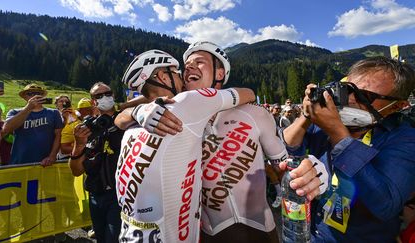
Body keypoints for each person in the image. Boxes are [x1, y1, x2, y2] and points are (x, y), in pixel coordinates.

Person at [128, 42, 328, 243]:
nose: (189, 67)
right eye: (186, 64)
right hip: (206, 233)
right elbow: (119, 117)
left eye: (199, 62)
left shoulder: (254, 113)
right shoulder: (176, 115)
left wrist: (308, 171)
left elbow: (284, 167)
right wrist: (137, 111)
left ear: (220, 73)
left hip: (259, 232)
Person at [115, 49, 255, 243]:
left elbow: (119, 117)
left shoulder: (132, 127)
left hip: (129, 233)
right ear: (164, 77)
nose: (182, 75)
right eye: (175, 72)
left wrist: (135, 110)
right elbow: (248, 93)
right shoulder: (190, 101)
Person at [283, 56, 415, 242]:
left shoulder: (405, 138)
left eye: (366, 96)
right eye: (349, 90)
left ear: (398, 105)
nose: (351, 100)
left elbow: (386, 205)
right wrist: (307, 115)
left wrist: (338, 134)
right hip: (312, 233)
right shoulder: (324, 122)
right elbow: (290, 146)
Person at [69, 82, 123, 242]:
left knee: (113, 238)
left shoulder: (127, 120)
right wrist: (79, 144)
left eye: (108, 93)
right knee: (100, 237)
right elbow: (76, 170)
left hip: (119, 195)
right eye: (99, 96)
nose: (104, 97)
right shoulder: (88, 128)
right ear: (93, 101)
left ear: (113, 95)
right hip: (96, 195)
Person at [3, 84, 63, 166]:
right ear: (24, 97)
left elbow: (58, 135)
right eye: (30, 94)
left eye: (39, 93)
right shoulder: (14, 112)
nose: (35, 96)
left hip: (45, 163)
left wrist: (52, 156)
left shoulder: (53, 113)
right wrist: (28, 108)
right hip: (19, 162)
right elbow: (6, 129)